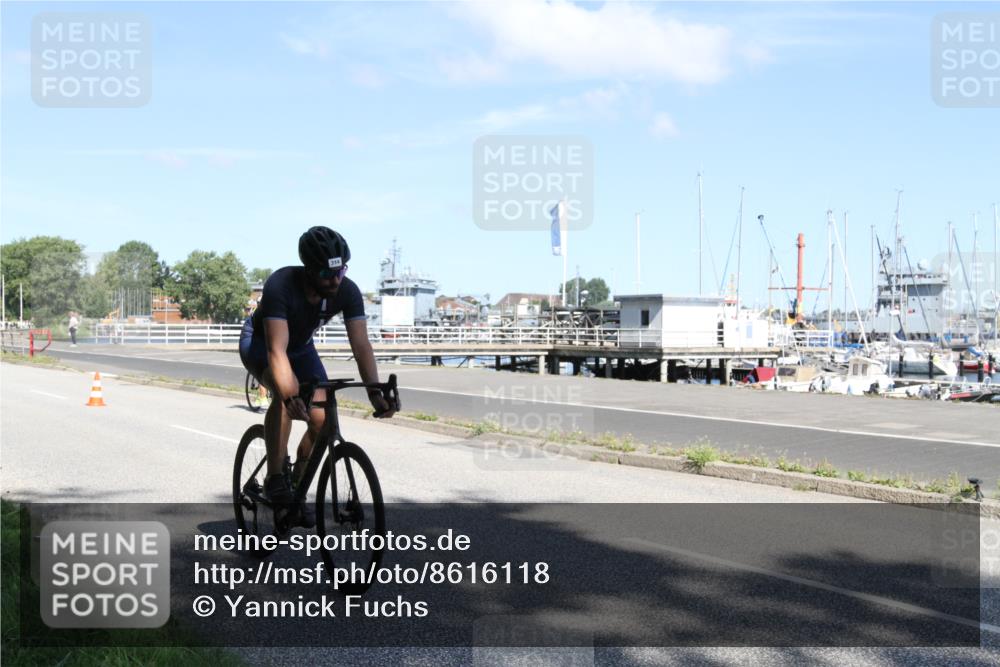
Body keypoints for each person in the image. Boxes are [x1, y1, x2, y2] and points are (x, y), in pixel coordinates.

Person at [239, 227, 396, 527]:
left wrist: (375, 393)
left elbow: (361, 346)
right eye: (327, 273)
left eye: (341, 271)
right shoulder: (281, 285)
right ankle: (275, 479)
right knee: (286, 396)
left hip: (301, 348)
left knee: (322, 419)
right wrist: (289, 395)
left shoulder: (346, 291)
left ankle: (297, 485)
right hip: (261, 343)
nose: (336, 280)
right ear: (309, 269)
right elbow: (277, 350)